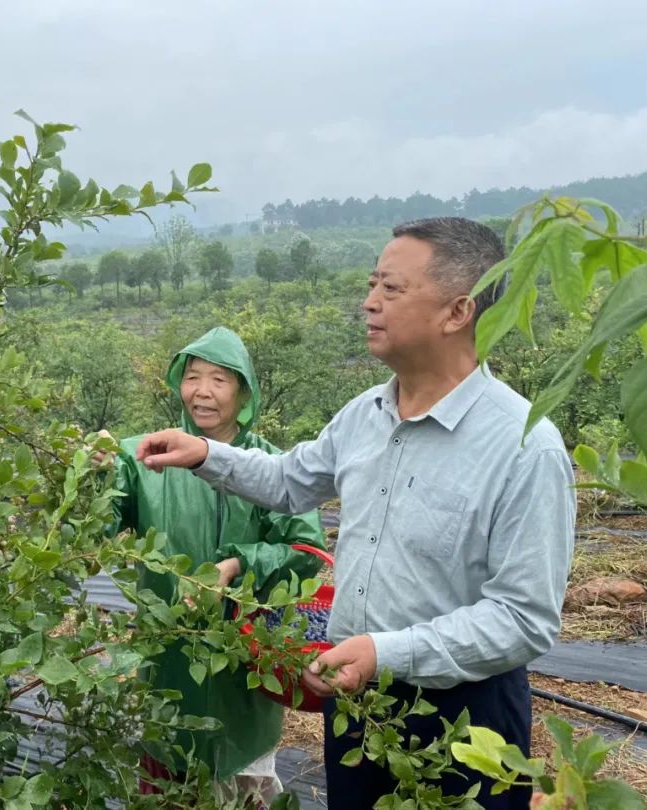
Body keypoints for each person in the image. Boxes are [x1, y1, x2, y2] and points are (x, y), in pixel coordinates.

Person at [133, 218, 576, 809]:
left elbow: (524, 618)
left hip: (463, 716)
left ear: (457, 311)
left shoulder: (524, 446)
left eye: (390, 289)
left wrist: (383, 652)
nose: (368, 303)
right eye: (372, 285)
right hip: (354, 701)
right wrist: (207, 455)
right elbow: (292, 481)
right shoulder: (365, 413)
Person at [109, 326, 327, 804]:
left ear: (244, 391)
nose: (201, 391)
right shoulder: (142, 458)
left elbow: (305, 550)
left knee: (242, 781)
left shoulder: (271, 463)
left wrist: (239, 565)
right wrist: (85, 470)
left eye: (219, 380)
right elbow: (97, 519)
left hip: (247, 658)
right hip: (167, 656)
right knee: (167, 773)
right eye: (191, 376)